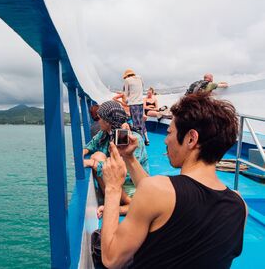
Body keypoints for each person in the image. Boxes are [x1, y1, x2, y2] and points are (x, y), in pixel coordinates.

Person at [100, 93, 247, 268]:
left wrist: (113, 188)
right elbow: (162, 195)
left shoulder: (157, 191)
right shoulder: (239, 206)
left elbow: (111, 259)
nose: (165, 139)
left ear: (191, 139)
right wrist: (130, 159)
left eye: (170, 132)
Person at [83, 100, 149, 214]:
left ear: (108, 121)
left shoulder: (133, 138)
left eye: (99, 118)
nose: (98, 122)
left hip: (132, 186)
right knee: (97, 155)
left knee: (97, 159)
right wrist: (80, 155)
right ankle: (124, 204)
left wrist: (93, 164)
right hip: (118, 185)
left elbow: (126, 173)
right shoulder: (104, 133)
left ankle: (127, 205)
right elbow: (91, 145)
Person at [123, 69, 147, 144]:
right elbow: (142, 87)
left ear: (127, 75)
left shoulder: (127, 80)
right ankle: (146, 140)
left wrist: (127, 101)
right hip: (140, 103)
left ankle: (139, 142)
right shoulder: (140, 77)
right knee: (141, 122)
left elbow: (126, 94)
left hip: (133, 104)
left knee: (136, 124)